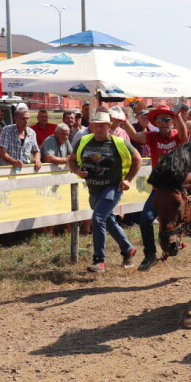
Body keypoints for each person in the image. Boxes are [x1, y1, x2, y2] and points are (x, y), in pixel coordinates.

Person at [69, 111, 142, 273]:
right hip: (94, 189)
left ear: (109, 126)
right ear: (92, 126)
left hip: (113, 188)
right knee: (108, 221)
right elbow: (71, 160)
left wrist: (128, 179)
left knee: (98, 219)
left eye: (102, 125)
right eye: (96, 125)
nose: (98, 128)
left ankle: (99, 260)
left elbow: (137, 159)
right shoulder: (83, 141)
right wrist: (77, 171)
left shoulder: (120, 143)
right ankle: (128, 248)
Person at [120, 104, 188, 271]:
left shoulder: (177, 136)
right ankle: (150, 255)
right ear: (156, 123)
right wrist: (124, 120)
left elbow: (184, 135)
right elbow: (134, 135)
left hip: (179, 186)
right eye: (160, 120)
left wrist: (177, 115)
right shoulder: (152, 137)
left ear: (172, 121)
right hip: (159, 189)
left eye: (167, 119)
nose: (164, 123)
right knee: (145, 219)